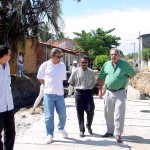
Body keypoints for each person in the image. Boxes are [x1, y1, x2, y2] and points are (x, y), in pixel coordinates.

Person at [98, 48, 136, 143]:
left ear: (118, 55)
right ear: (110, 55)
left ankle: (118, 133)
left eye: (115, 54)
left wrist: (126, 77)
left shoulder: (124, 65)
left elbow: (133, 73)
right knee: (108, 112)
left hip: (120, 92)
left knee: (119, 113)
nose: (113, 56)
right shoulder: (106, 64)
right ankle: (110, 131)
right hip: (109, 92)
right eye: (111, 55)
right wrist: (100, 90)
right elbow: (102, 77)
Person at [37, 48, 68, 144]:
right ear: (52, 56)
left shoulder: (62, 66)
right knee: (49, 116)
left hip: (59, 94)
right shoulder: (45, 65)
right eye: (58, 57)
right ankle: (49, 134)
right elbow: (39, 77)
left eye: (61, 56)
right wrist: (47, 85)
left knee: (63, 114)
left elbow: (63, 79)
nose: (60, 58)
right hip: (48, 94)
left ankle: (61, 128)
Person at [68, 56, 96, 138]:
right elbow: (70, 81)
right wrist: (76, 87)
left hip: (88, 93)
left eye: (85, 62)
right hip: (79, 93)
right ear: (80, 63)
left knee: (90, 111)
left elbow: (94, 82)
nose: (84, 64)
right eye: (82, 62)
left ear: (88, 63)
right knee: (80, 113)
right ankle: (81, 130)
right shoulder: (76, 71)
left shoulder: (91, 72)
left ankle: (88, 125)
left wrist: (89, 87)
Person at [0, 46, 16, 150]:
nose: (10, 56)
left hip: (9, 106)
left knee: (11, 133)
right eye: (9, 54)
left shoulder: (8, 66)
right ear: (4, 55)